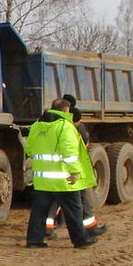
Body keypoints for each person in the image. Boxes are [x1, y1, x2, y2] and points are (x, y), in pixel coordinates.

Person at [25, 97, 97, 248]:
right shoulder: (65, 126)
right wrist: (74, 172)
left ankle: (34, 240)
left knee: (39, 211)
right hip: (63, 179)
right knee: (74, 211)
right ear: (67, 110)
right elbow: (69, 152)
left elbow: (29, 149)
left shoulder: (37, 126)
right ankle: (81, 240)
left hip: (42, 179)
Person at [45, 94, 108, 238]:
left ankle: (47, 229)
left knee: (52, 200)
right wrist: (74, 171)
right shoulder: (69, 128)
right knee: (79, 201)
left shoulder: (45, 124)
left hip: (52, 172)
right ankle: (85, 232)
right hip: (70, 171)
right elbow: (74, 150)